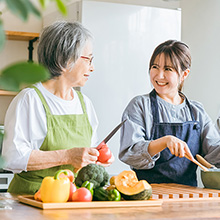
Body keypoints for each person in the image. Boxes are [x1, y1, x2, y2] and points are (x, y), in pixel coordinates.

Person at [2, 21, 114, 194]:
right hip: (30, 200)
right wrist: (68, 156)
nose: (92, 67)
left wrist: (96, 158)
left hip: (71, 200)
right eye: (88, 59)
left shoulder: (85, 104)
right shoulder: (30, 100)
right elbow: (11, 158)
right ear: (64, 60)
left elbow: (86, 156)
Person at [119, 40, 220, 186]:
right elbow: (131, 153)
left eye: (168, 69)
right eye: (155, 67)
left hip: (188, 197)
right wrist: (165, 141)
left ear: (184, 74)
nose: (159, 76)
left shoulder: (196, 111)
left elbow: (214, 155)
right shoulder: (140, 105)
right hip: (147, 195)